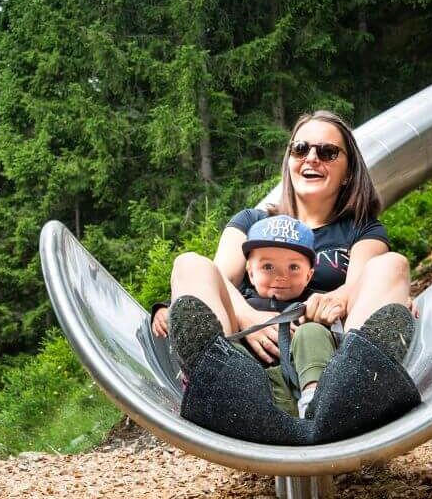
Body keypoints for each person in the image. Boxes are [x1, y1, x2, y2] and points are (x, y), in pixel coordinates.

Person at [151, 110, 416, 360]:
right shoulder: (251, 221)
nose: (311, 158)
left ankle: (354, 373)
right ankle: (216, 371)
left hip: (324, 349)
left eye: (327, 152)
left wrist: (365, 297)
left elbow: (356, 287)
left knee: (392, 265)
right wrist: (250, 318)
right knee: (189, 263)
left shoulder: (363, 229)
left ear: (348, 172)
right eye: (300, 149)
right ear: (289, 161)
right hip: (244, 348)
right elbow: (217, 278)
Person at [218, 214, 336, 418]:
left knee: (312, 332)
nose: (281, 276)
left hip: (302, 382)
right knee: (228, 347)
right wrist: (165, 308)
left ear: (309, 275)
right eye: (268, 267)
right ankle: (238, 410)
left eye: (294, 267)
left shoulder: (313, 301)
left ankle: (315, 404)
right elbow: (203, 297)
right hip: (260, 392)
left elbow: (345, 307)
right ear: (250, 273)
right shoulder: (241, 303)